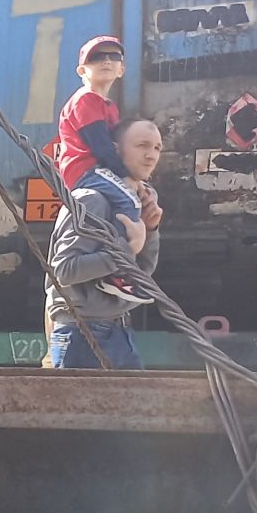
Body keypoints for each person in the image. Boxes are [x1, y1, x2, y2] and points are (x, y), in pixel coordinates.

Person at [46, 117, 164, 370]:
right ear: (115, 150)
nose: (151, 155)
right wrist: (128, 248)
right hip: (83, 334)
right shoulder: (91, 199)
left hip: (119, 330)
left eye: (157, 148)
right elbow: (64, 271)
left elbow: (141, 274)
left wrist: (150, 231)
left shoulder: (132, 203)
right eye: (142, 145)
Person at [56, 35, 150, 307]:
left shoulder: (107, 105)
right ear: (81, 70)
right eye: (97, 57)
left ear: (121, 69)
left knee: (126, 201)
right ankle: (115, 272)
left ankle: (111, 264)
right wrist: (127, 176)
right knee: (129, 201)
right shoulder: (85, 100)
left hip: (96, 169)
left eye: (114, 57)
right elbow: (100, 145)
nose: (106, 61)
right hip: (85, 169)